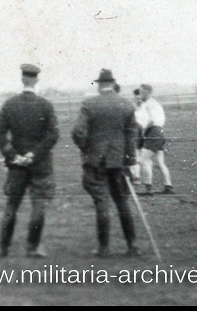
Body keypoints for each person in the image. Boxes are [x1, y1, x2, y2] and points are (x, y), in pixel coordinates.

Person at [0, 64, 59, 258]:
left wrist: (13, 155)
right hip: (40, 164)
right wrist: (34, 155)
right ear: (36, 80)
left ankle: (3, 248)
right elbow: (53, 135)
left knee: (11, 205)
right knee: (38, 205)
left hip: (16, 166)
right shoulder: (46, 105)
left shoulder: (10, 104)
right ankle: (32, 247)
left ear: (22, 79)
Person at [72, 69, 140, 258]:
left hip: (96, 161)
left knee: (102, 203)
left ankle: (104, 248)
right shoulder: (126, 105)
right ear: (112, 83)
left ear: (100, 84)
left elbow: (78, 132)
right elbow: (131, 135)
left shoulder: (89, 104)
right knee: (122, 202)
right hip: (119, 162)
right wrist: (129, 160)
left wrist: (87, 149)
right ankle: (132, 246)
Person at [135, 84, 173, 195]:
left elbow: (151, 121)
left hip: (153, 132)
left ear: (147, 92)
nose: (139, 94)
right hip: (159, 132)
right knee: (160, 162)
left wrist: (143, 130)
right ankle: (168, 186)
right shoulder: (154, 104)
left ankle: (148, 188)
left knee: (143, 160)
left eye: (141, 92)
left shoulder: (149, 104)